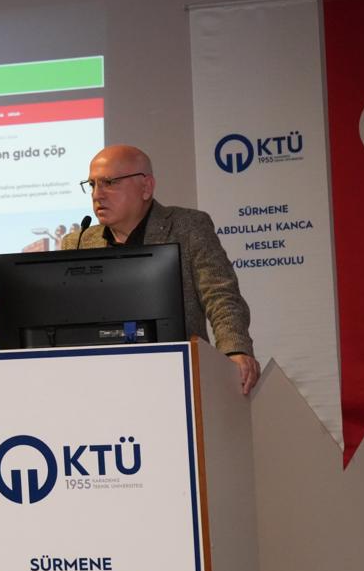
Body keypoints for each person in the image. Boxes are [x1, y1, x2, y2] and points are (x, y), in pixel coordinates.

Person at [62, 145, 260, 395]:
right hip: (99, 381)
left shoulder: (188, 227)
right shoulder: (78, 242)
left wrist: (235, 350)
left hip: (177, 377)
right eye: (92, 185)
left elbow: (220, 295)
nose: (97, 195)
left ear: (146, 187)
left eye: (109, 183)